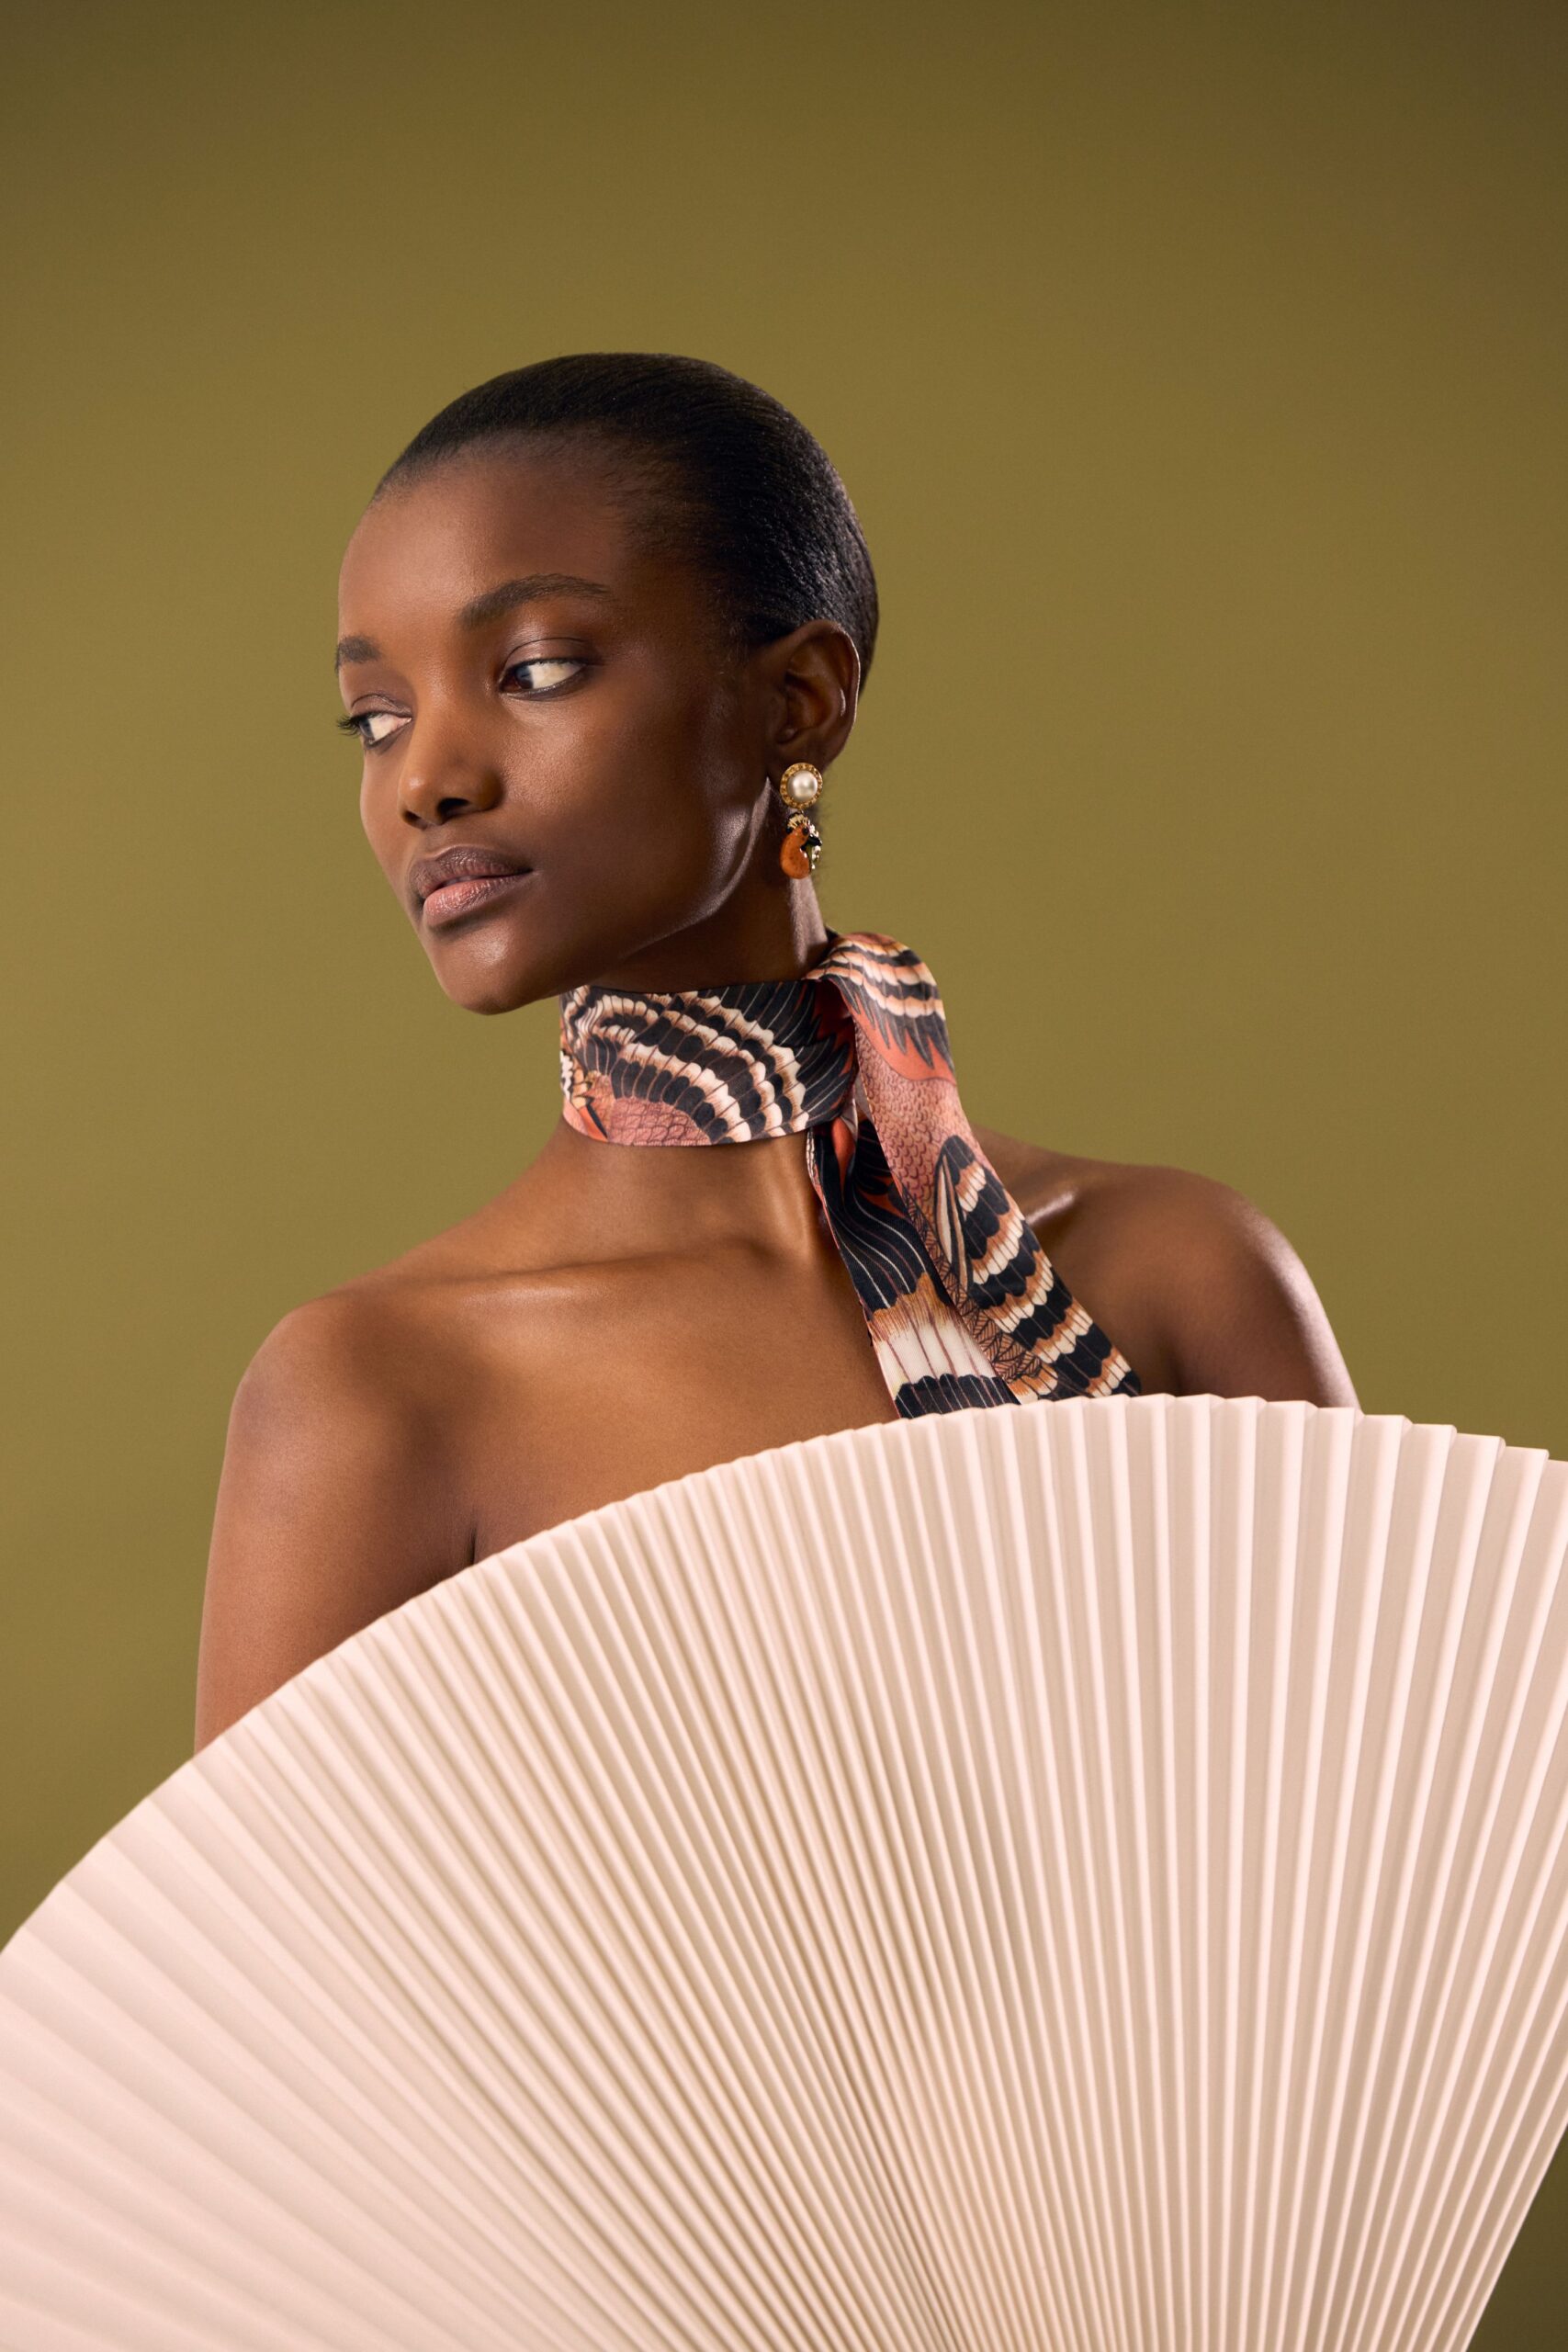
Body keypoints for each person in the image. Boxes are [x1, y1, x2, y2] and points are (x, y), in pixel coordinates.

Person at [194, 352, 1357, 1752]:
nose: (428, 780)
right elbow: (266, 1902)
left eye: (535, 671)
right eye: (377, 721)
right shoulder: (375, 1398)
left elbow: (1426, 1820)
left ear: (799, 701)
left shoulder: (1179, 1275)